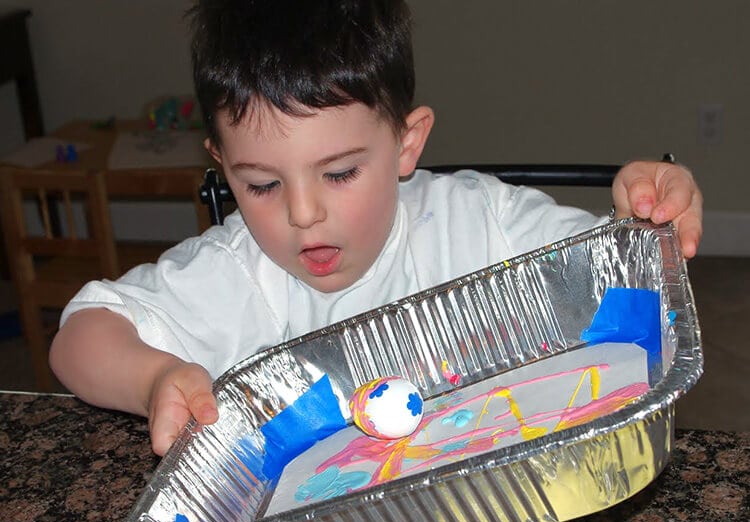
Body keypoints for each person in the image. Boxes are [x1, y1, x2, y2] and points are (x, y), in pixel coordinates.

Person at [49, 0, 703, 456]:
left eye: (338, 173)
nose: (303, 213)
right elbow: (79, 336)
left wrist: (643, 219)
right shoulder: (231, 275)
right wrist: (154, 378)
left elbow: (607, 279)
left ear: (406, 142)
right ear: (221, 165)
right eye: (262, 184)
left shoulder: (480, 224)